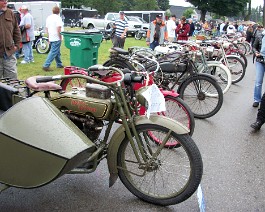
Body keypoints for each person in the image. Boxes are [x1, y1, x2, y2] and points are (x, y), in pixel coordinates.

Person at [0, 0, 21, 79]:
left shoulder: (10, 13)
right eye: (2, 0)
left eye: (6, 0)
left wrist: (17, 45)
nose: (5, 2)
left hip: (9, 53)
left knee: (12, 81)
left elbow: (16, 30)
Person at [42, 6, 64, 71]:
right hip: (56, 37)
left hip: (51, 36)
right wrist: (60, 36)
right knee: (53, 51)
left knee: (57, 51)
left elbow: (47, 28)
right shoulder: (58, 18)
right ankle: (46, 65)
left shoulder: (49, 17)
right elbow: (58, 28)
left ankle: (59, 64)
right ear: (58, 11)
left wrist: (48, 37)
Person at [252, 28, 265, 108]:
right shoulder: (260, 35)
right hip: (260, 60)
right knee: (258, 82)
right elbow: (254, 46)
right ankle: (257, 100)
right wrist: (255, 52)